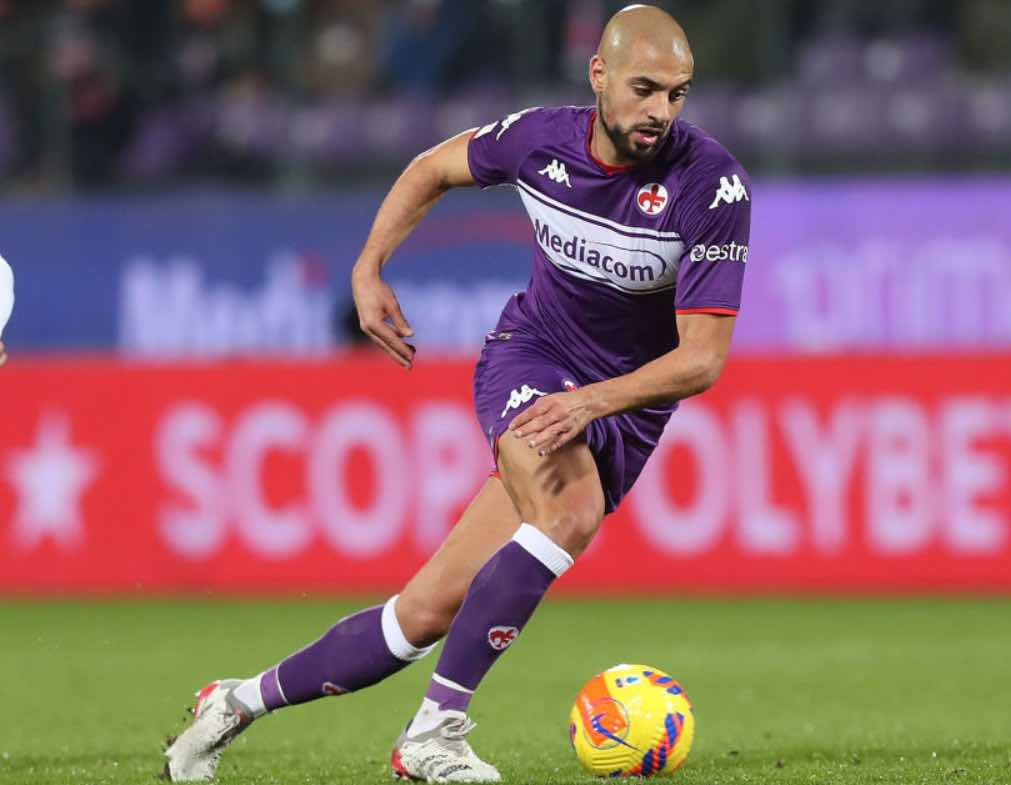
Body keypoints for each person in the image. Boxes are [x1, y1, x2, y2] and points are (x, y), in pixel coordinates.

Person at [163, 5, 750, 782]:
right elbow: (431, 167)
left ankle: (234, 701)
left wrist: (595, 401)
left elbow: (701, 360)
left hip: (617, 411)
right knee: (568, 511)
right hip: (531, 361)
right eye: (645, 89)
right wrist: (369, 268)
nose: (661, 112)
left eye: (677, 94)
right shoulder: (539, 139)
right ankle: (433, 734)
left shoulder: (710, 185)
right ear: (599, 75)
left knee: (421, 615)